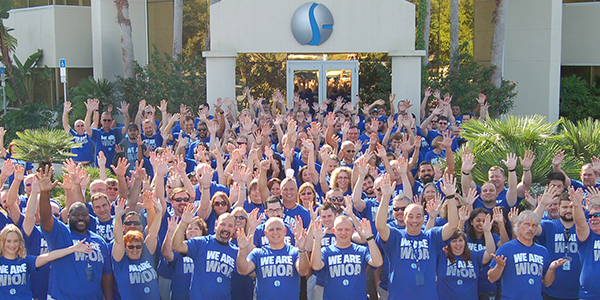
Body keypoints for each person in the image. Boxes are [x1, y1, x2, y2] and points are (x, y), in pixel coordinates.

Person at [375, 172, 459, 299]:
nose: (414, 220)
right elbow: (380, 226)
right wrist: (386, 197)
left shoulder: (432, 236)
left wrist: (451, 196)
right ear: (404, 218)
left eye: (418, 216)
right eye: (411, 216)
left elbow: (453, 225)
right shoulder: (396, 236)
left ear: (423, 218)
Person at [37, 166, 114, 300]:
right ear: (68, 216)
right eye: (76, 214)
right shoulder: (60, 233)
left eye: (84, 214)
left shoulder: (99, 241)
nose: (80, 218)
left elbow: (106, 275)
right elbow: (45, 218)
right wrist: (44, 193)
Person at [0, 224, 94, 300]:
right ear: (2, 242)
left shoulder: (26, 260)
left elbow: (49, 256)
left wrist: (73, 249)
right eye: (8, 241)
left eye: (15, 241)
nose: (12, 245)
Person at [488, 210, 566, 300]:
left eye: (534, 225)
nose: (530, 228)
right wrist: (499, 267)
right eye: (527, 224)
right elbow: (491, 278)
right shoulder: (505, 248)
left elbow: (547, 283)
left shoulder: (543, 251)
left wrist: (551, 269)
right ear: (518, 225)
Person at [171, 204, 238, 300]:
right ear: (216, 225)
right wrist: (183, 223)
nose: (226, 229)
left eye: (230, 226)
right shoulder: (202, 243)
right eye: (222, 224)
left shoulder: (236, 251)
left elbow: (248, 271)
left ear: (234, 229)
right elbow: (176, 246)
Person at [236, 216, 310, 300]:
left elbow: (304, 271)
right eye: (271, 230)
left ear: (285, 231)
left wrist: (302, 249)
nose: (275, 232)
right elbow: (243, 270)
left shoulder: (294, 252)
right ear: (266, 233)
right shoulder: (258, 253)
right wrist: (242, 250)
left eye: (278, 229)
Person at [311, 215, 383, 300]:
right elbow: (316, 266)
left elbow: (378, 262)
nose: (343, 233)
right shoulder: (326, 251)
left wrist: (369, 237)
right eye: (340, 230)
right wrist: (317, 240)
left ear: (353, 231)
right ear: (334, 231)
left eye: (347, 229)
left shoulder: (361, 251)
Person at [534, 186, 581, 300]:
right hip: (551, 291)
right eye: (565, 207)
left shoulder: (584, 229)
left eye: (571, 207)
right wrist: (542, 205)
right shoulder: (548, 225)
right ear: (558, 208)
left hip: (580, 292)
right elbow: (531, 226)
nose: (568, 210)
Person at [112, 194, 162, 299]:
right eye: (131, 246)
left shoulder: (146, 256)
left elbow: (153, 234)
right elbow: (118, 240)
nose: (135, 249)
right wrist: (117, 217)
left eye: (138, 246)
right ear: (125, 248)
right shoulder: (121, 263)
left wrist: (159, 212)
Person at [436, 215, 496, 300]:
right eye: (454, 241)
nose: (458, 244)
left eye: (461, 240)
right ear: (448, 244)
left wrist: (487, 232)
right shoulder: (441, 255)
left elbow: (490, 252)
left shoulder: (474, 255)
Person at [159, 214, 207, 300]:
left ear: (202, 232)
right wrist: (170, 232)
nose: (192, 231)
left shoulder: (207, 250)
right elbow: (167, 254)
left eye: (196, 229)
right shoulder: (179, 249)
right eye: (189, 229)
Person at [571, 186, 600, 299]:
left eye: (597, 215)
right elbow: (580, 224)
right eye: (590, 216)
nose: (593, 218)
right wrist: (577, 206)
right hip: (589, 295)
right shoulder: (588, 237)